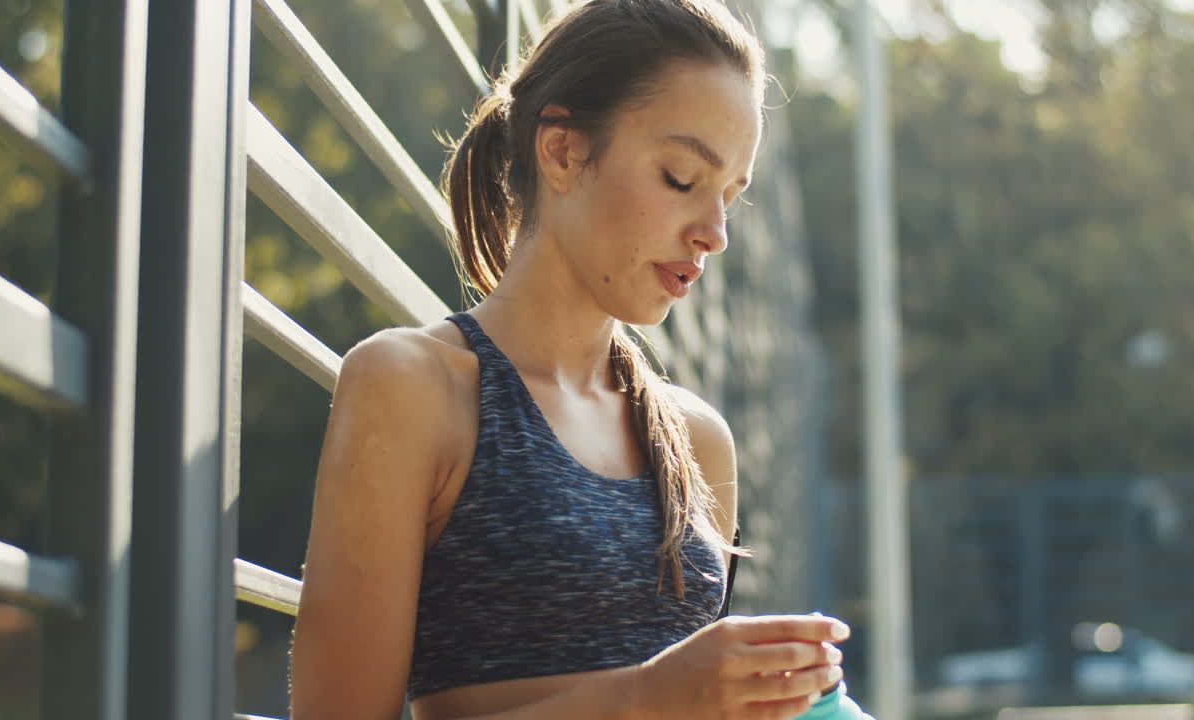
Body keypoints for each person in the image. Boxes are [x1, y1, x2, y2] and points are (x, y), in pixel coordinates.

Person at [290, 1, 871, 718]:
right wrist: (642, 699)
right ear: (562, 151)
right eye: (683, 178)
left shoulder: (697, 443)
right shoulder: (413, 387)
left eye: (729, 198)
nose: (715, 233)